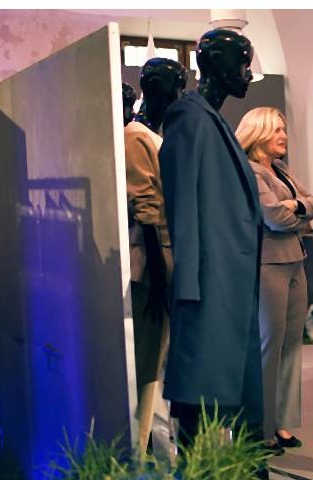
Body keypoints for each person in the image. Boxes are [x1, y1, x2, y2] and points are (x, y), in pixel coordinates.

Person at [158, 29, 265, 443]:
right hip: (208, 279)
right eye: (243, 63)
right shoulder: (189, 118)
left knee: (229, 385)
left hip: (229, 277)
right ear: (218, 65)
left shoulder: (213, 121)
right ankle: (200, 476)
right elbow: (182, 203)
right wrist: (188, 283)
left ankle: (241, 472)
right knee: (201, 389)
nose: (248, 73)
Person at [235, 107, 313, 449]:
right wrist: (299, 210)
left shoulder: (280, 170)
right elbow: (274, 218)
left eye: (284, 129)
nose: (284, 136)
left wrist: (296, 207)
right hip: (267, 263)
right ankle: (261, 427)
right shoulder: (250, 170)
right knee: (269, 345)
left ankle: (283, 423)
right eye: (277, 130)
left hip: (295, 260)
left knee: (292, 344)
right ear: (258, 133)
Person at [123, 58, 187, 456]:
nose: (179, 94)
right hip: (151, 264)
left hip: (165, 258)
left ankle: (153, 439)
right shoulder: (137, 136)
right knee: (147, 360)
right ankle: (140, 447)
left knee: (160, 358)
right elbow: (145, 207)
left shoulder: (153, 135)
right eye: (174, 85)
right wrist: (161, 275)